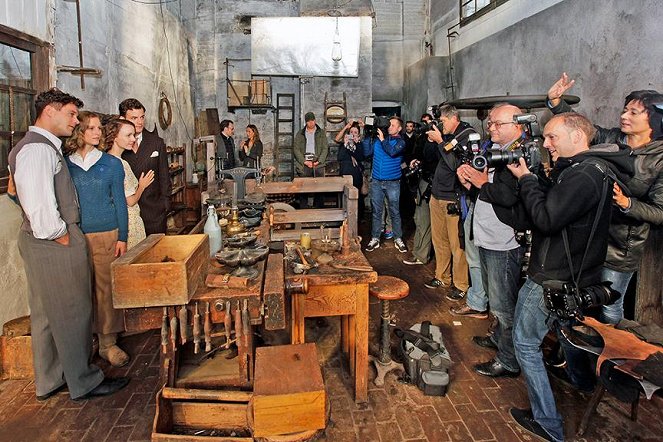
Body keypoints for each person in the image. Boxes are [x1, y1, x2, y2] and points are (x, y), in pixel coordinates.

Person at [508, 112, 633, 441]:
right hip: (577, 273)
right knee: (566, 333)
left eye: (553, 137)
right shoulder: (593, 170)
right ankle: (581, 381)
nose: (546, 144)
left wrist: (526, 179)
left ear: (578, 137)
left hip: (553, 276)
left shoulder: (583, 176)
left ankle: (547, 422)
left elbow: (547, 219)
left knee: (525, 343)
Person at [8, 88, 129, 401]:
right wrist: (61, 235)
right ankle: (84, 381)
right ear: (50, 110)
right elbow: (39, 207)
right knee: (74, 311)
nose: (75, 121)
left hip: (41, 240)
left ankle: (50, 379)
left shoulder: (40, 147)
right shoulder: (38, 150)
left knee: (47, 314)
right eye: (72, 114)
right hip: (53, 240)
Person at [547, 74, 663, 324]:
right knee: (579, 301)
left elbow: (660, 212)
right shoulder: (613, 139)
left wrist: (626, 203)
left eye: (634, 112)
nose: (624, 116)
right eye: (625, 110)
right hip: (589, 239)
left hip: (620, 249)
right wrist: (555, 101)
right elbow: (581, 129)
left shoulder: (659, 159)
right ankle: (576, 352)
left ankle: (609, 360)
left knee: (610, 306)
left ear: (653, 118)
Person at [456, 104, 527, 378]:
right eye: (491, 124)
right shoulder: (497, 151)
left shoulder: (519, 155)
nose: (491, 128)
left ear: (517, 125)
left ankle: (508, 361)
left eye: (498, 124)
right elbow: (487, 191)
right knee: (494, 295)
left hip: (503, 241)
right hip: (487, 236)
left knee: (503, 305)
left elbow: (509, 197)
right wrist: (470, 182)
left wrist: (482, 182)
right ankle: (498, 338)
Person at [64, 112, 130, 368]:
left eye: (99, 128)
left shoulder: (110, 164)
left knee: (105, 290)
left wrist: (122, 236)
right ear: (78, 131)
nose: (97, 132)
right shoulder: (65, 165)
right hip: (75, 235)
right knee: (80, 292)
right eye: (90, 128)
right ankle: (85, 343)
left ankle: (108, 343)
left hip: (107, 234)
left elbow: (121, 205)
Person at [420, 105, 473, 304]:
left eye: (442, 120)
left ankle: (460, 285)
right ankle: (442, 276)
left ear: (453, 118)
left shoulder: (466, 135)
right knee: (439, 240)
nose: (441, 124)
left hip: (453, 198)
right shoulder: (446, 135)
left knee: (456, 245)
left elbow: (454, 165)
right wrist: (432, 141)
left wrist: (441, 140)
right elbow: (432, 158)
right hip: (437, 194)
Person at [119, 98, 170, 235]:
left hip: (155, 211)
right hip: (129, 213)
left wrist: (164, 204)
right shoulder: (117, 145)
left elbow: (164, 176)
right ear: (122, 118)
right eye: (134, 118)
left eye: (142, 117)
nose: (140, 122)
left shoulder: (156, 143)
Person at [105, 118, 154, 249]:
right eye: (128, 135)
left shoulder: (105, 160)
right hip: (129, 223)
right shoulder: (120, 164)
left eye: (134, 135)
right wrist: (142, 186)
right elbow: (130, 201)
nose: (133, 139)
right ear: (114, 137)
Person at [364, 116, 408, 254]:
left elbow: (392, 151)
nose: (390, 127)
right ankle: (375, 238)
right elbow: (366, 153)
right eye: (389, 125)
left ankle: (398, 238)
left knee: (394, 211)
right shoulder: (378, 140)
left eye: (393, 125)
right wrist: (367, 134)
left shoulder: (400, 142)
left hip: (393, 182)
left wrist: (382, 139)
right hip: (377, 182)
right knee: (377, 212)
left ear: (400, 128)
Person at [334, 119, 365, 215]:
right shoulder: (344, 144)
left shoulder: (360, 144)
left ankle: (359, 217)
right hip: (345, 172)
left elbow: (360, 157)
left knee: (357, 196)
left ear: (358, 134)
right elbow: (340, 157)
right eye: (351, 132)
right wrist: (346, 127)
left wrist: (356, 145)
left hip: (356, 174)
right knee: (344, 196)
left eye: (355, 132)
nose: (353, 134)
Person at [293, 111, 329, 177]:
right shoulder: (300, 134)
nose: (311, 123)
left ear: (315, 120)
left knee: (319, 183)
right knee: (305, 183)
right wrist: (304, 161)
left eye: (312, 120)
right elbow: (296, 149)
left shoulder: (321, 133)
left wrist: (319, 161)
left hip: (318, 162)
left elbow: (325, 148)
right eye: (309, 121)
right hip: (304, 162)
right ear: (306, 122)